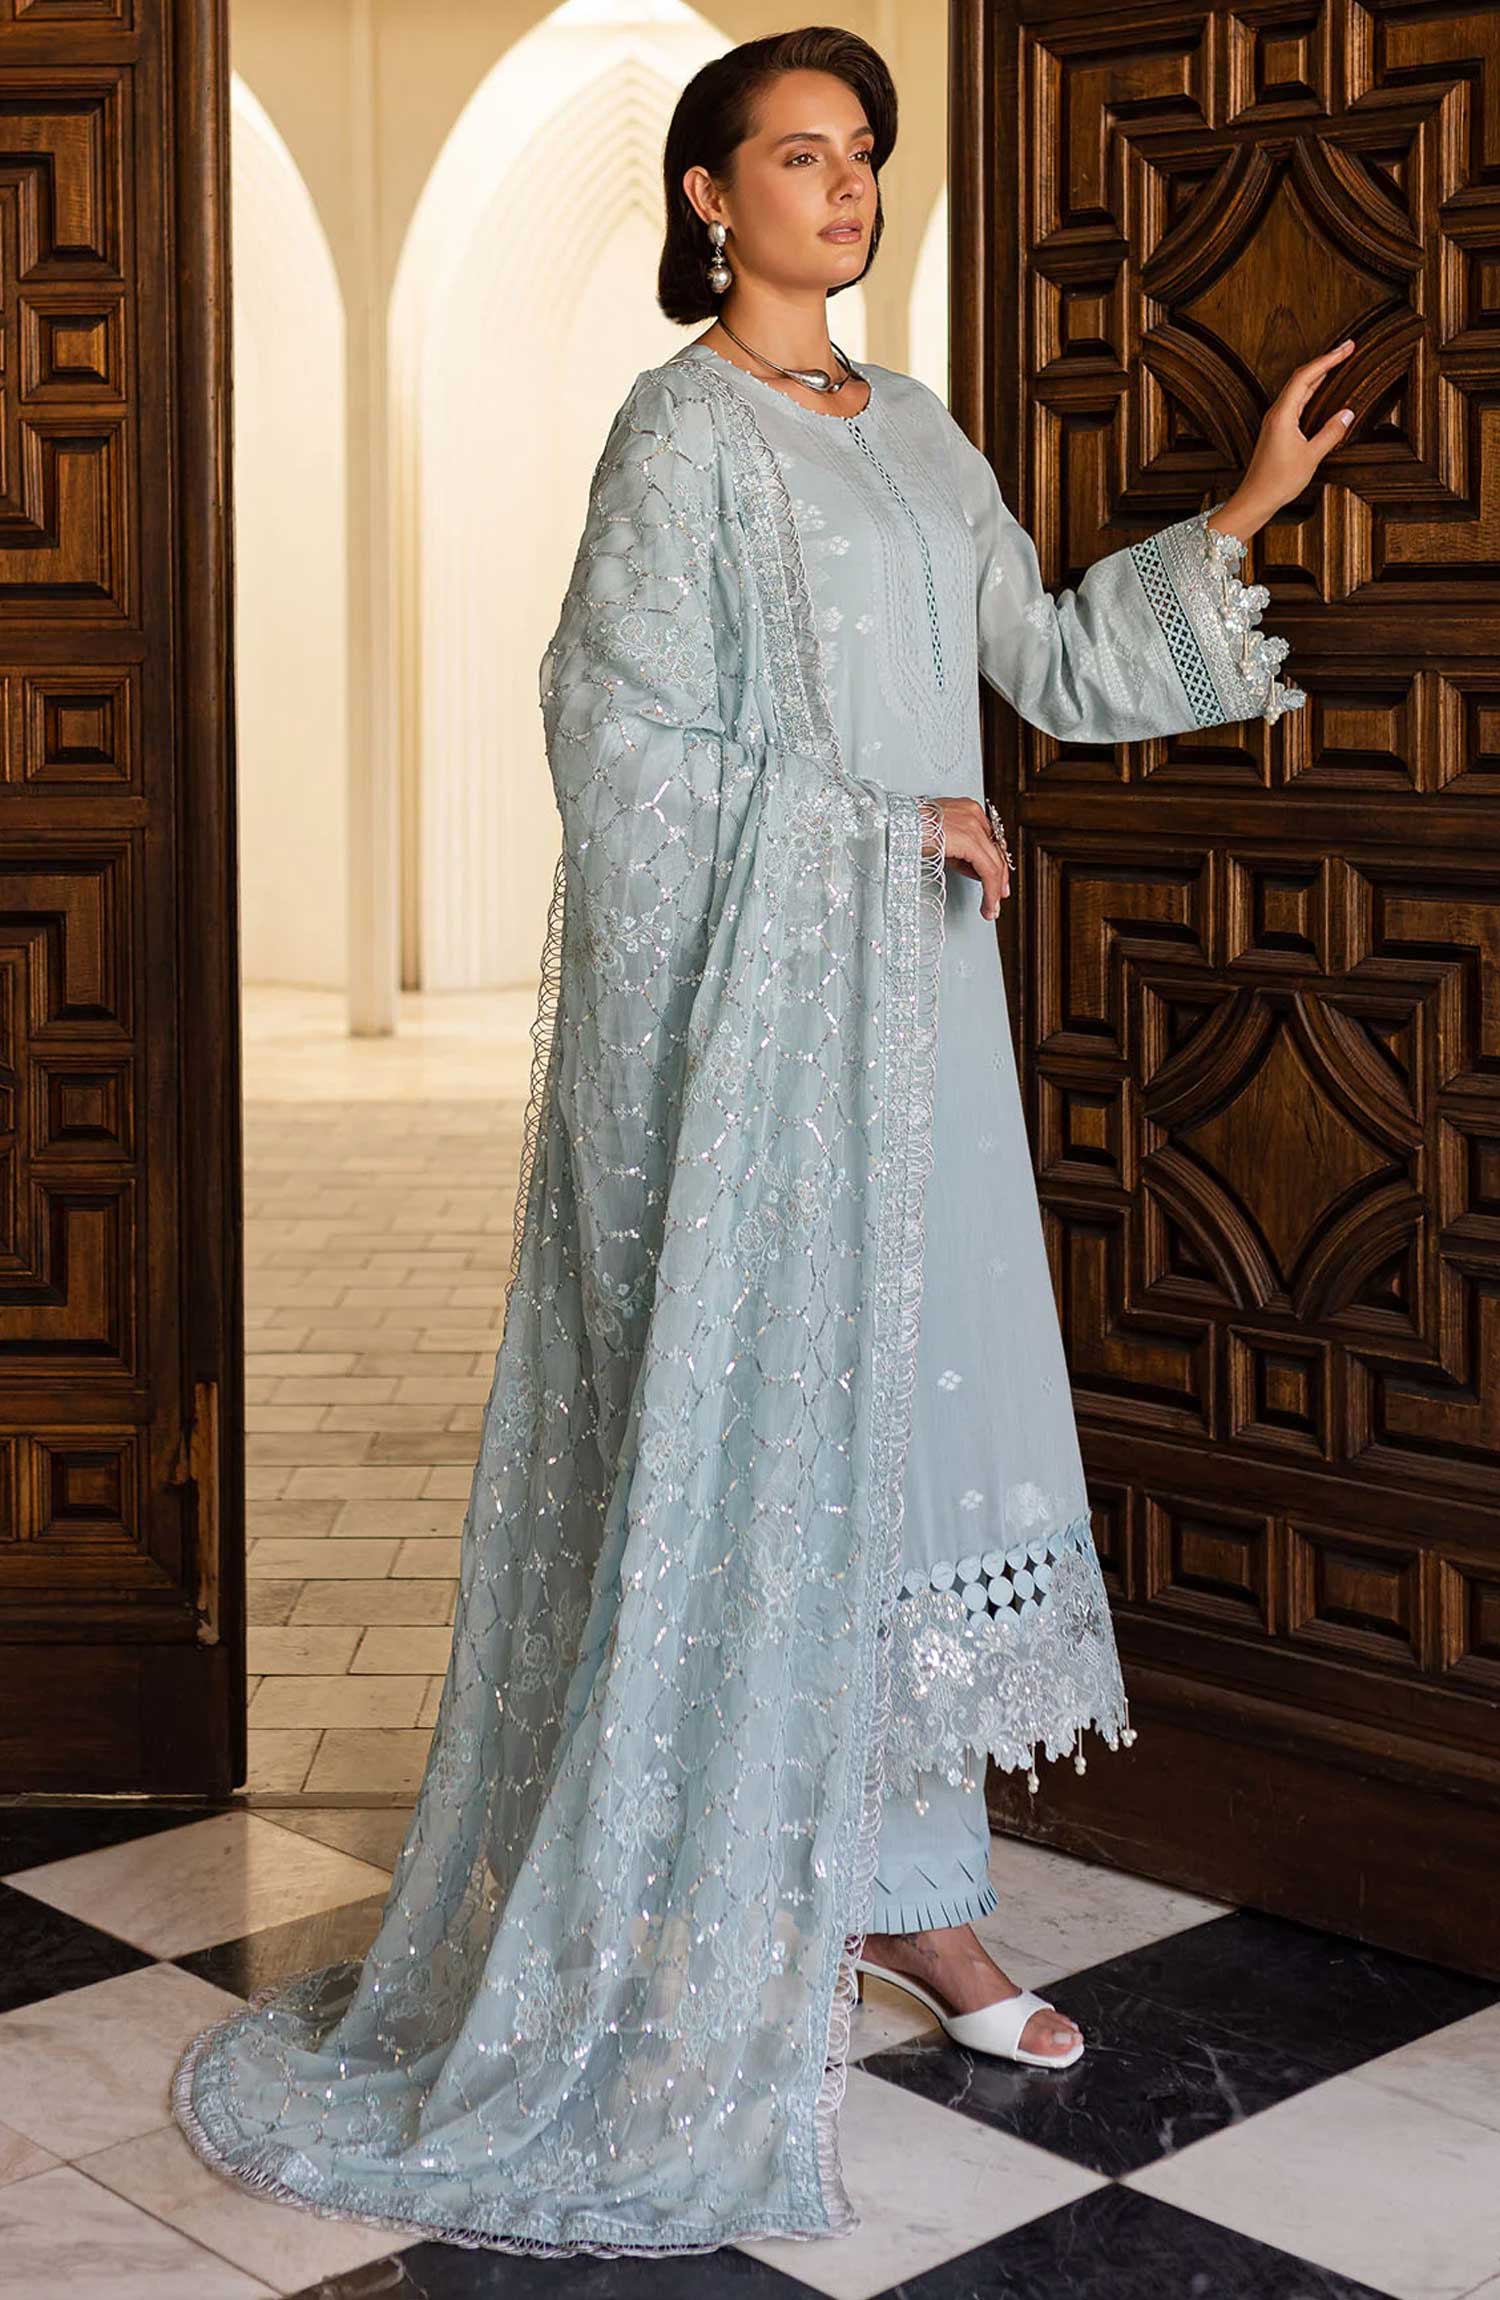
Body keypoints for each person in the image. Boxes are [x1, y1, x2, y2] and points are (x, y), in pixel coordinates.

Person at [174, 24, 1354, 2261]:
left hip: (920, 1027)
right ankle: (734, 1899)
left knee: (911, 1448)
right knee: (774, 1451)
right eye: (802, 155)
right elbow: (609, 735)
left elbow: (1050, 660)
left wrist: (1245, 515)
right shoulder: (681, 431)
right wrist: (866, 827)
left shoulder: (913, 429)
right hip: (763, 1051)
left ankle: (913, 1900)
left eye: (864, 153)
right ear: (710, 199)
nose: (848, 185)